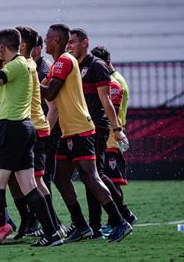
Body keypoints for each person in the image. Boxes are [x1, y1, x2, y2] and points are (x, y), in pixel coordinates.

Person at [0, 28, 62, 247]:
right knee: (28, 184)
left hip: (9, 127)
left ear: (3, 47)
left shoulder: (14, 65)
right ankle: (52, 234)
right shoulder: (24, 63)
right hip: (24, 126)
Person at [40, 24, 132, 243]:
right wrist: (44, 131)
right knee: (60, 178)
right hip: (68, 129)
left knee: (92, 176)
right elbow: (51, 104)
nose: (44, 41)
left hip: (82, 127)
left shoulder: (65, 61)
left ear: (55, 40)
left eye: (46, 37)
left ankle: (120, 221)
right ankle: (82, 225)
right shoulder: (59, 65)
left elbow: (50, 91)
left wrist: (117, 129)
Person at [66, 28, 131, 239]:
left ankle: (120, 216)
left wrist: (117, 130)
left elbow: (106, 102)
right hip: (81, 126)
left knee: (95, 175)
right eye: (67, 42)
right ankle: (94, 226)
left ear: (85, 43)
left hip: (97, 127)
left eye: (72, 42)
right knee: (88, 176)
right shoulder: (75, 65)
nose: (69, 46)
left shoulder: (96, 66)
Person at [11, 26, 62, 239]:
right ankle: (38, 222)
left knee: (38, 180)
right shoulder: (25, 64)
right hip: (29, 130)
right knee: (29, 179)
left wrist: (44, 131)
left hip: (36, 130)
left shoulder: (32, 67)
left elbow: (53, 106)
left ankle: (53, 226)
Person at [91, 46, 136, 236]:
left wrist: (116, 132)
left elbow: (113, 113)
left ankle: (122, 217)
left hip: (110, 137)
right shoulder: (113, 80)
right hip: (107, 136)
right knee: (102, 177)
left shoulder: (114, 83)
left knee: (111, 179)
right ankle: (115, 218)